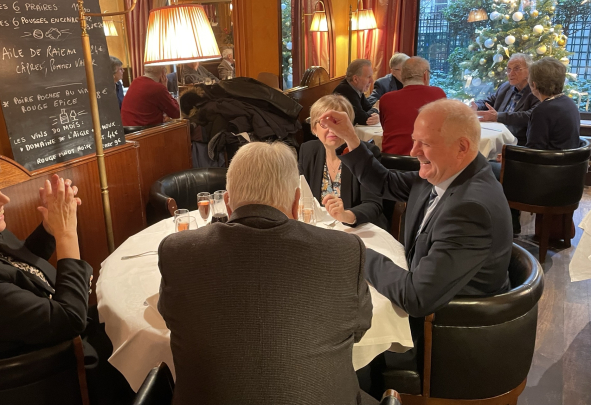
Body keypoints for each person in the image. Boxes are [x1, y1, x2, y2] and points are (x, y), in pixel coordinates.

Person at [158, 142, 377, 405]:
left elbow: (172, 320)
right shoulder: (344, 251)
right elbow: (359, 329)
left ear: (227, 205)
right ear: (297, 203)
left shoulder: (176, 251)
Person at [320, 99, 512, 392]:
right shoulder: (447, 173)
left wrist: (355, 251)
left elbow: (416, 297)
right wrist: (349, 136)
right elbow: (383, 181)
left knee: (342, 336)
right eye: (414, 141)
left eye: (424, 143)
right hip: (433, 300)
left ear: (462, 147)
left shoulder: (470, 208)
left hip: (447, 333)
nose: (413, 152)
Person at [0, 152, 92, 360]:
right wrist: (66, 233)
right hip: (51, 372)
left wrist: (49, 228)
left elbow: (16, 267)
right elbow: (70, 321)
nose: (4, 199)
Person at [299, 94, 388, 229]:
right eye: (324, 123)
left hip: (357, 229)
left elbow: (373, 204)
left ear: (349, 127)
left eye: (337, 122)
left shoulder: (366, 153)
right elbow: (300, 195)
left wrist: (346, 215)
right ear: (314, 128)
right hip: (320, 230)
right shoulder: (308, 151)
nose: (331, 129)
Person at [379, 56, 446, 155]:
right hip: (428, 162)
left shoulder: (386, 99)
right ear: (425, 75)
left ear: (402, 76)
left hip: (391, 162)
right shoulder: (438, 94)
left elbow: (385, 127)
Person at [471, 53, 539, 146]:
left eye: (516, 69)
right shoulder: (506, 87)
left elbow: (529, 116)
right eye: (509, 69)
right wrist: (476, 106)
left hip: (517, 143)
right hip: (497, 135)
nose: (511, 73)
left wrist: (498, 116)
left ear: (529, 70)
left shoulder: (536, 91)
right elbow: (490, 101)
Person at [525, 57, 581, 150]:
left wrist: (509, 156)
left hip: (550, 163)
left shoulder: (542, 111)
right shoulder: (569, 103)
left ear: (534, 85)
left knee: (492, 163)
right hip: (569, 162)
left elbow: (534, 153)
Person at [333, 59, 380, 126]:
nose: (372, 81)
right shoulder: (345, 90)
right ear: (355, 79)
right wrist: (376, 109)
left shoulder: (356, 88)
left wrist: (375, 113)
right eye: (368, 77)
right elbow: (363, 119)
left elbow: (368, 108)